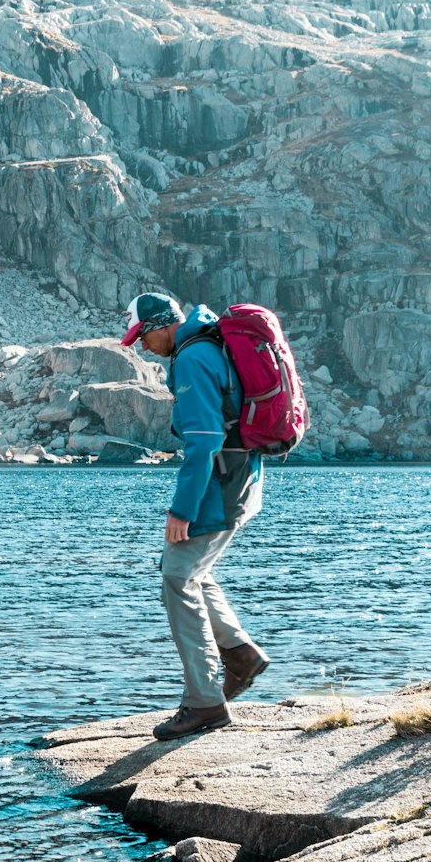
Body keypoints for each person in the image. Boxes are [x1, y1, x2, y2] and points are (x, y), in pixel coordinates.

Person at [120, 292, 271, 741]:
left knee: (177, 577)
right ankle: (240, 655)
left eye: (144, 336)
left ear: (164, 324)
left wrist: (181, 509)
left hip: (218, 486)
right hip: (239, 480)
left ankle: (205, 702)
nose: (143, 346)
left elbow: (203, 441)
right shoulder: (206, 346)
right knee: (188, 570)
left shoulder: (192, 358)